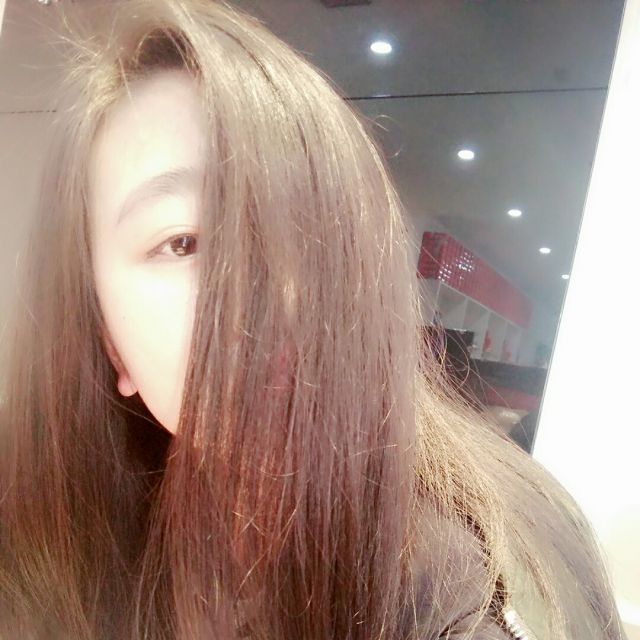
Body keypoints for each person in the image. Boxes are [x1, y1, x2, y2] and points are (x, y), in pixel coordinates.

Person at [0, 1, 626, 638]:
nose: (275, 291)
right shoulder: (48, 549)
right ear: (107, 339)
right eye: (184, 242)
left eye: (311, 228)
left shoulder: (471, 587)